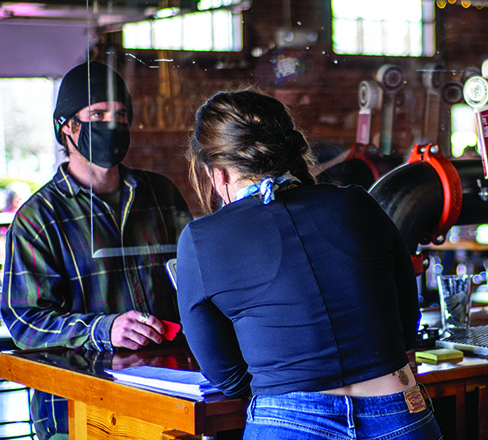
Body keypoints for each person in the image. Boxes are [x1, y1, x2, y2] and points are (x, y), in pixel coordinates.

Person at [176, 89, 441, 440]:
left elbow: (226, 376)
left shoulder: (201, 240)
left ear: (217, 174)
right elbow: (407, 326)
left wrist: (281, 372)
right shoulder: (358, 204)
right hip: (399, 410)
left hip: (288, 420)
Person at [0, 61, 192, 440]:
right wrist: (103, 329)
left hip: (169, 396)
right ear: (67, 127)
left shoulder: (161, 195)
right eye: (98, 115)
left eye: (121, 115)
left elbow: (196, 280)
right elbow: (24, 321)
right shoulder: (38, 218)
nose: (112, 126)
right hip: (76, 407)